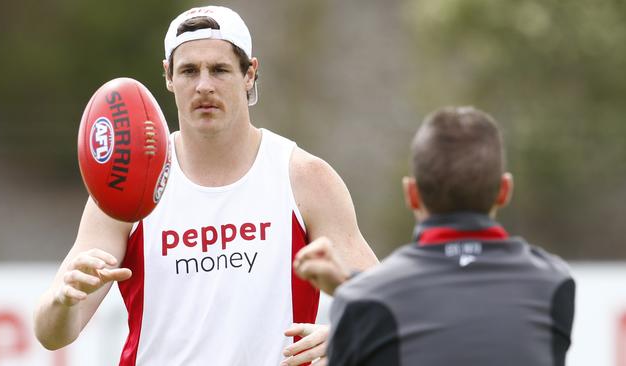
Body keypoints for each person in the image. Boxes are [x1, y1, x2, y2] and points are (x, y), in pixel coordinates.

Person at [33, 5, 378, 366]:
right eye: (188, 70)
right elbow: (52, 334)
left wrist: (344, 334)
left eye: (219, 69)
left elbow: (391, 304)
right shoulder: (129, 183)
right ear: (168, 76)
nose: (203, 86)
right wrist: (63, 300)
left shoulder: (303, 177)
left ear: (250, 73)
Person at [294, 106, 575, 366]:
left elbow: (421, 308)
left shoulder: (366, 299)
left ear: (411, 195)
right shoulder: (554, 283)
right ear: (504, 190)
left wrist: (353, 294)